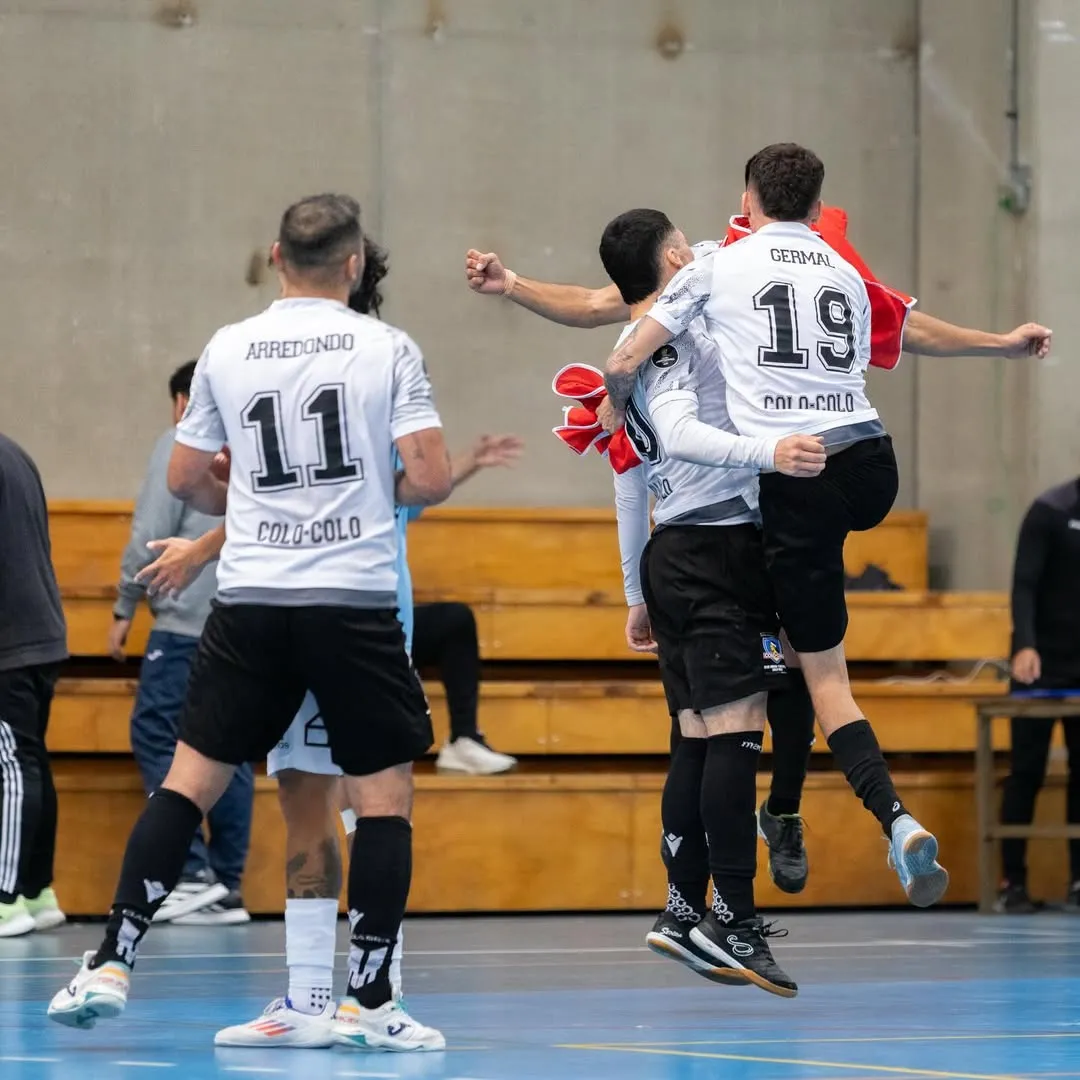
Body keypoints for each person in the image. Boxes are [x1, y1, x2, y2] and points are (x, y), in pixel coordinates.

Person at [48, 193, 450, 1054]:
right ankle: (356, 999)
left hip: (255, 601)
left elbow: (189, 476)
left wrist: (255, 509)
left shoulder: (228, 348)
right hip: (351, 598)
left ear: (276, 255)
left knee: (190, 781)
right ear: (352, 264)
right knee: (373, 802)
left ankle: (110, 958)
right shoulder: (390, 350)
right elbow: (430, 476)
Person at [136, 238, 522, 1048]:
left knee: (355, 806)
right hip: (303, 608)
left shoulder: (375, 376)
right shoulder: (360, 363)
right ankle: (315, 999)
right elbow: (288, 497)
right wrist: (204, 548)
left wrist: (201, 546)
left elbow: (371, 489)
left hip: (362, 608)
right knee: (312, 798)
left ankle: (371, 995)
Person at [600, 144, 961, 908]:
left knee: (821, 678)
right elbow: (892, 338)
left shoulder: (716, 269)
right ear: (817, 201)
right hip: (872, 459)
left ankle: (890, 822)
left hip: (791, 479)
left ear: (748, 199)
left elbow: (627, 345)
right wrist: (1000, 344)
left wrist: (615, 399)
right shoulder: (843, 272)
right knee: (792, 657)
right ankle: (782, 814)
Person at [597, 208, 826, 995]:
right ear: (670, 257)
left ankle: (681, 907)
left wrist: (635, 589)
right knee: (733, 734)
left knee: (695, 736)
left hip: (673, 551)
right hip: (716, 548)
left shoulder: (623, 362)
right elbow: (683, 432)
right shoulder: (671, 345)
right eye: (685, 249)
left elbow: (627, 480)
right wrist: (771, 450)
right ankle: (733, 917)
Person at [109, 361, 254, 925]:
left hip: (183, 622)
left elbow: (150, 530)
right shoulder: (249, 444)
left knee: (158, 734)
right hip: (238, 618)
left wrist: (124, 604)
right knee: (228, 747)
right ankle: (227, 884)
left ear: (181, 401)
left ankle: (191, 874)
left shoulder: (178, 443)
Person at [997, 477, 1080, 913]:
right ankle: (1013, 881)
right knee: (1025, 772)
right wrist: (1025, 645)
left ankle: (1078, 880)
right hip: (1041, 664)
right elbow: (1024, 584)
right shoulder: (1050, 510)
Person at [0, 433, 68, 937]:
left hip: (11, 639)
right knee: (30, 760)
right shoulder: (16, 452)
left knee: (12, 764)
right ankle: (35, 891)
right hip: (39, 632)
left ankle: (4, 899)